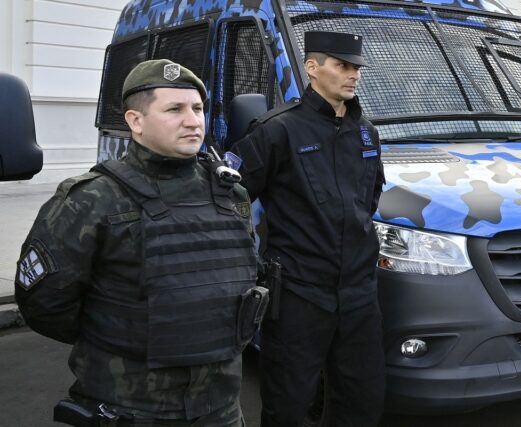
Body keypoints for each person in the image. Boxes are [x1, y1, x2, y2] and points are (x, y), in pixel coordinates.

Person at [15, 59, 261, 425]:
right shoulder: (92, 199)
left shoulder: (231, 194)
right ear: (136, 121)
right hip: (129, 409)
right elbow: (45, 304)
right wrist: (119, 335)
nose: (193, 120)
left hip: (220, 409)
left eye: (197, 108)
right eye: (174, 109)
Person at [229, 31, 386, 426]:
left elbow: (369, 200)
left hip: (358, 298)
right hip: (300, 296)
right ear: (312, 68)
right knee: (289, 405)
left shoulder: (366, 132)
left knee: (362, 402)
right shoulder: (277, 130)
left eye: (356, 68)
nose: (353, 75)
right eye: (342, 66)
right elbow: (230, 201)